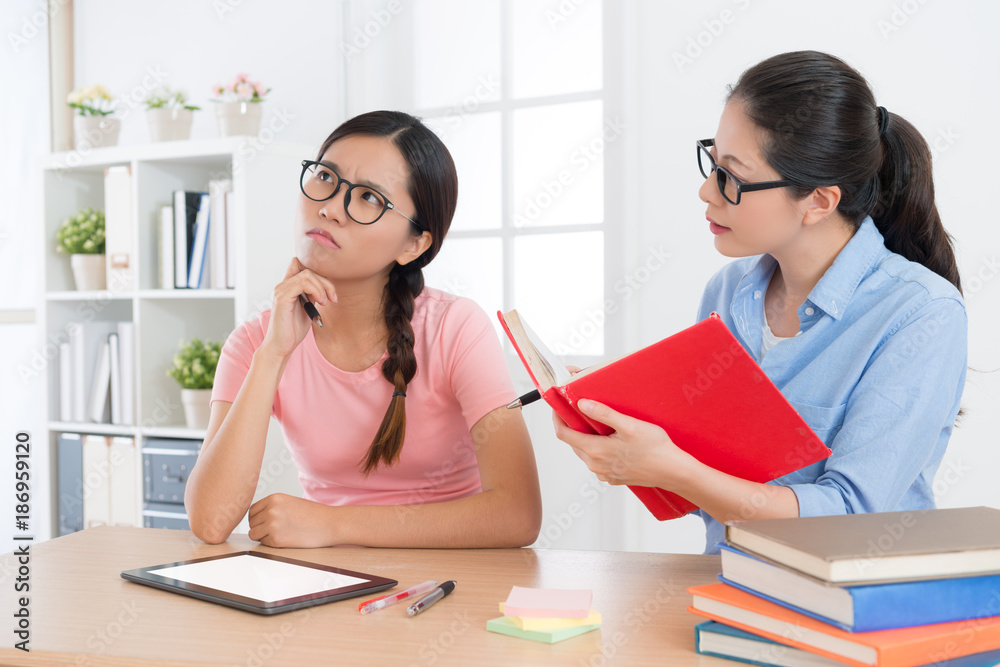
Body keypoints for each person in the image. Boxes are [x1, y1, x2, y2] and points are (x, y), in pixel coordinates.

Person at [553, 51, 967, 554]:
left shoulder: (920, 313)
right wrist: (618, 426)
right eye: (712, 162)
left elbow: (849, 518)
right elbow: (706, 485)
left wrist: (670, 466)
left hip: (853, 608)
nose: (707, 191)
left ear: (818, 201)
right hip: (730, 586)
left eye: (732, 176)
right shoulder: (727, 293)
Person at [185, 110, 542, 548]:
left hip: (451, 581)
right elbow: (210, 522)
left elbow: (518, 515)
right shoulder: (255, 343)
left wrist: (335, 524)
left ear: (414, 244)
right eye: (325, 178)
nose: (331, 208)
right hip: (328, 584)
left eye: (370, 198)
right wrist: (273, 355)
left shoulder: (456, 327)